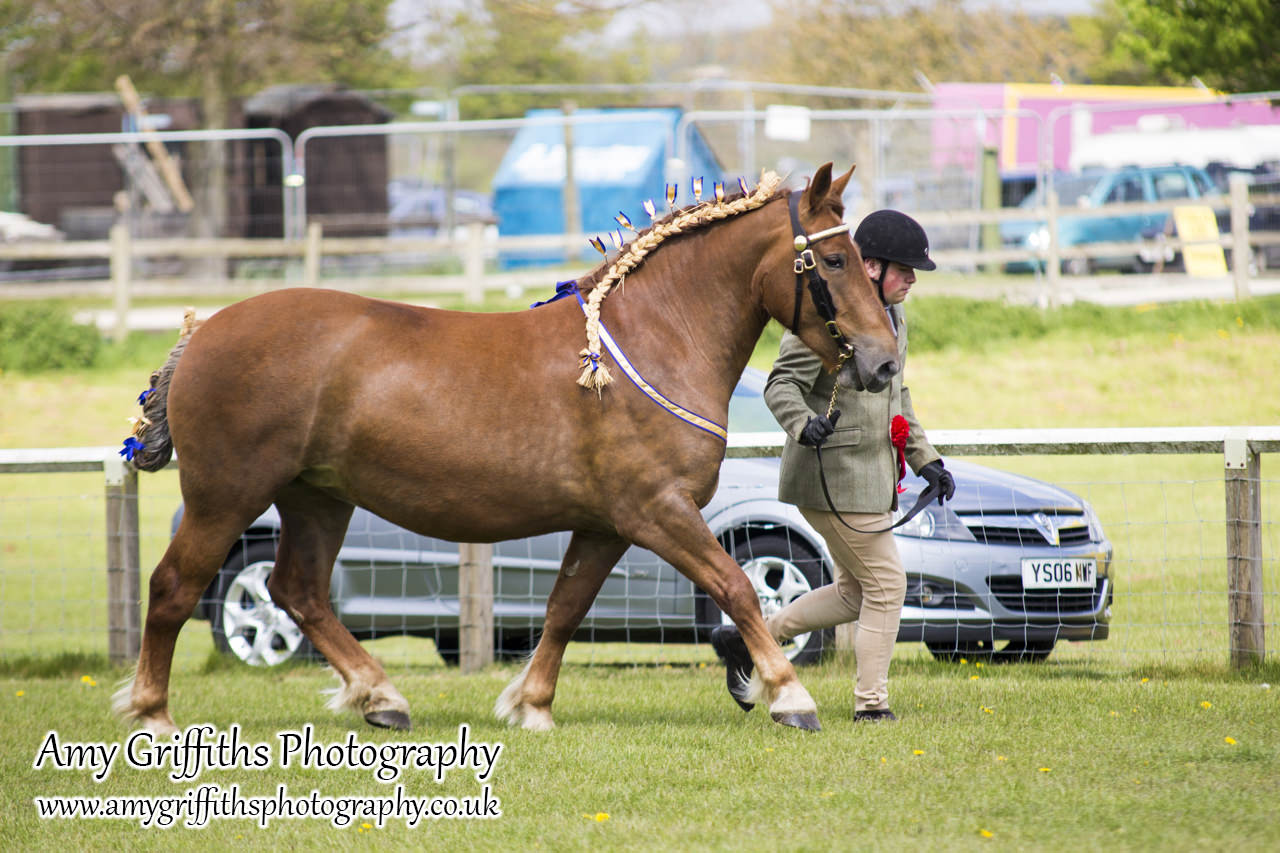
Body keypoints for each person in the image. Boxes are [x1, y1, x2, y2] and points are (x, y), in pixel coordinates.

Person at [711, 209, 955, 722]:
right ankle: (871, 706)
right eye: (905, 269)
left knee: (853, 592)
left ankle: (749, 640)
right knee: (888, 586)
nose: (912, 279)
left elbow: (896, 394)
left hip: (870, 477)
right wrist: (803, 424)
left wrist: (927, 460)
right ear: (870, 266)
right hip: (831, 474)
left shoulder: (893, 317)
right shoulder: (828, 316)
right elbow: (780, 384)